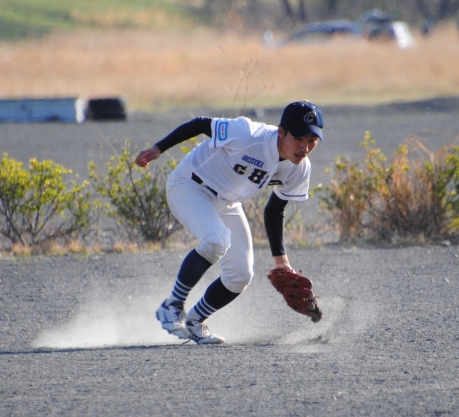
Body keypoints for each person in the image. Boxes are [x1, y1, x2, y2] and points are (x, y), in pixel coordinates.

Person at [135, 101, 324, 344]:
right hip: (189, 185)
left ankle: (195, 321)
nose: (304, 147)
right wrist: (158, 148)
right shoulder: (248, 135)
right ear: (281, 132)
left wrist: (281, 263)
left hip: (228, 202)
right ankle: (172, 305)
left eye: (312, 140)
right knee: (216, 240)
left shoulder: (299, 168)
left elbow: (275, 209)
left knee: (240, 275)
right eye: (298, 138)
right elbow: (201, 124)